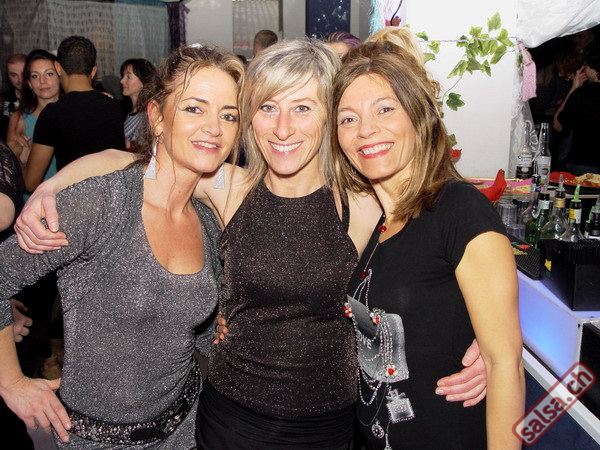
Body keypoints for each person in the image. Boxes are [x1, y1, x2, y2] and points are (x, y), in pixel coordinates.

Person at [15, 40, 488, 448]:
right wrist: (49, 188)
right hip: (230, 419)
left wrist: (483, 341)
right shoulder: (230, 188)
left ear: (329, 117)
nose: (282, 129)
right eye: (267, 107)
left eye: (302, 108)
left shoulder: (362, 202)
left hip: (328, 427)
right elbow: (129, 161)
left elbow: (431, 264)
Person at [0, 44, 244, 448]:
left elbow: (189, 330)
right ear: (157, 117)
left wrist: (225, 331)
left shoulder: (208, 222)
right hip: (95, 440)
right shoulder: (103, 203)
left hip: (186, 430)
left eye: (228, 115)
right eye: (194, 108)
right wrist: (10, 381)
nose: (214, 128)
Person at [331, 40, 524, 449]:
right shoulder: (382, 222)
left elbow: (505, 365)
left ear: (418, 116)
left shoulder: (458, 209)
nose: (366, 129)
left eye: (385, 109)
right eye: (348, 118)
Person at [24, 35, 125, 192]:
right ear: (93, 71)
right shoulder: (114, 107)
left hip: (74, 202)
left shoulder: (53, 113)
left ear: (58, 68)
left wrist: (19, 158)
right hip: (113, 199)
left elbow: (30, 183)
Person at [6, 50, 61, 191]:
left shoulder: (74, 111)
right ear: (29, 83)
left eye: (49, 74)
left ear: (60, 75)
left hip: (72, 196)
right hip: (34, 199)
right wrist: (17, 158)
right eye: (35, 76)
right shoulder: (19, 119)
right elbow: (7, 171)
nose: (42, 81)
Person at [553, 44, 600, 175]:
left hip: (586, 164)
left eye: (585, 65)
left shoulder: (583, 94)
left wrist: (574, 89)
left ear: (593, 68)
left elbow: (558, 125)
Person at [120, 58, 158, 151]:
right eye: (123, 76)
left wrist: (129, 144)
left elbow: (148, 146)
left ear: (143, 82)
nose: (122, 81)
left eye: (128, 77)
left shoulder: (149, 114)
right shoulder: (123, 110)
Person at [1, 54, 27, 141]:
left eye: (23, 74)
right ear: (8, 76)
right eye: (13, 75)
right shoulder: (2, 99)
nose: (20, 79)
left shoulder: (39, 100)